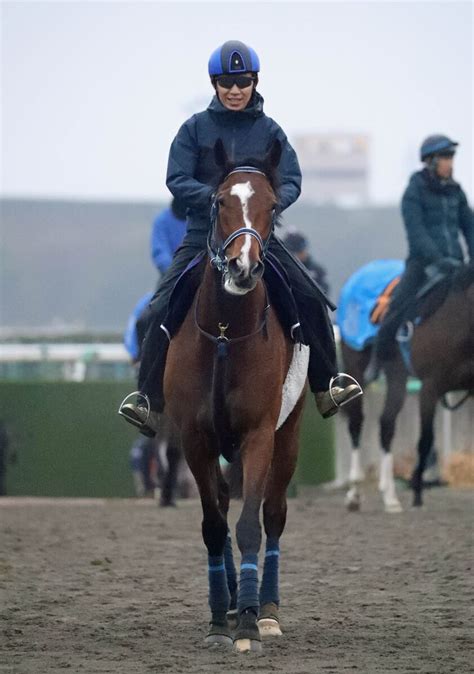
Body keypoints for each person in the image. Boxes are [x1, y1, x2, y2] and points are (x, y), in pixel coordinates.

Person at [119, 40, 362, 436]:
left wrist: (266, 204)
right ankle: (147, 400)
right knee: (156, 308)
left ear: (254, 82)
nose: (235, 90)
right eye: (227, 83)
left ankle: (327, 384)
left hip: (258, 236)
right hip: (203, 236)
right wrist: (214, 199)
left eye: (243, 82)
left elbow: (293, 180)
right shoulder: (193, 129)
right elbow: (176, 179)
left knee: (311, 297)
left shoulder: (270, 131)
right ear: (215, 84)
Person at [364, 134, 474, 382]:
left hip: (456, 264)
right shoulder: (413, 192)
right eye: (446, 158)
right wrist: (439, 259)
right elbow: (417, 235)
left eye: (452, 157)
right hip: (422, 265)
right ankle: (378, 359)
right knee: (397, 306)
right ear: (432, 161)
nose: (451, 163)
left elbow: (470, 227)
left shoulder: (457, 192)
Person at [283, 230, 330, 295]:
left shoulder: (317, 270)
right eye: (298, 252)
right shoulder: (283, 269)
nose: (303, 253)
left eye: (302, 250)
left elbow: (325, 289)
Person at [150, 198, 187, 280]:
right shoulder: (162, 220)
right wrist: (175, 272)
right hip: (170, 276)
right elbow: (160, 252)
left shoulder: (201, 219)